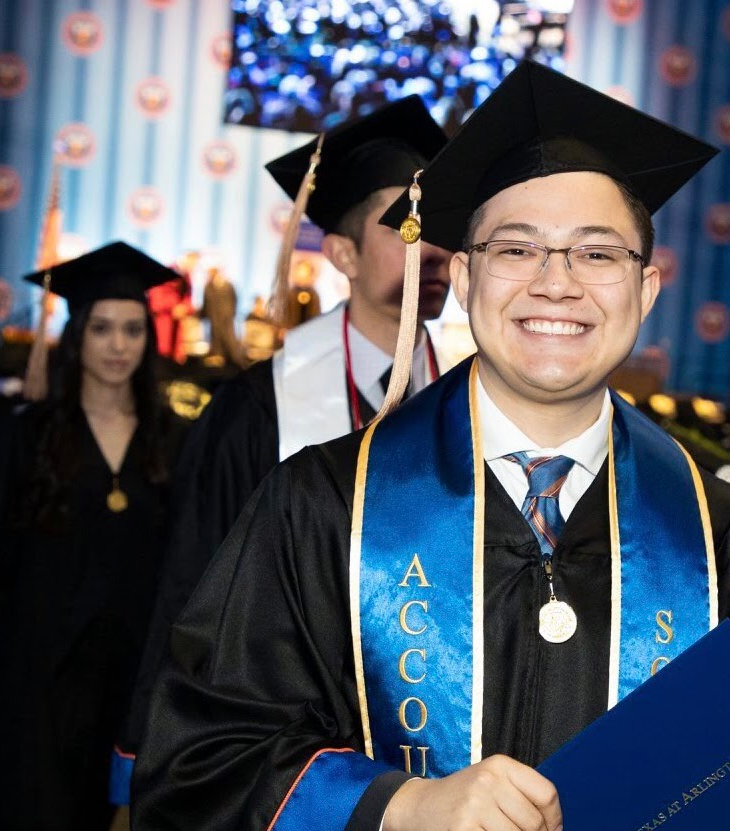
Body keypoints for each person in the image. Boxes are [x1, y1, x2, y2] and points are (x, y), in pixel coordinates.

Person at [131, 62, 730, 831]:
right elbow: (197, 768)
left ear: (646, 289)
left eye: (598, 253)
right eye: (517, 249)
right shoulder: (322, 506)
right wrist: (397, 805)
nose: (557, 283)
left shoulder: (717, 536)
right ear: (464, 278)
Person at [121, 96, 454, 789]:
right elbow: (194, 586)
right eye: (406, 224)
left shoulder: (467, 404)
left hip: (436, 742)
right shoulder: (257, 408)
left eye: (441, 224)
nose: (435, 249)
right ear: (341, 254)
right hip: (285, 745)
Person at [0, 242, 188, 830]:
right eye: (102, 329)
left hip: (122, 674)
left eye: (133, 330)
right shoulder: (31, 434)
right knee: (27, 810)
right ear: (77, 337)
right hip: (32, 668)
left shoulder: (172, 441)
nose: (118, 346)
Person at [200, 264, 245, 368]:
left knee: (229, 338)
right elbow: (206, 303)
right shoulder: (208, 286)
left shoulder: (228, 285)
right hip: (214, 318)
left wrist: (231, 313)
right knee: (215, 338)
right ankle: (218, 359)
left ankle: (234, 361)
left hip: (227, 318)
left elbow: (235, 300)